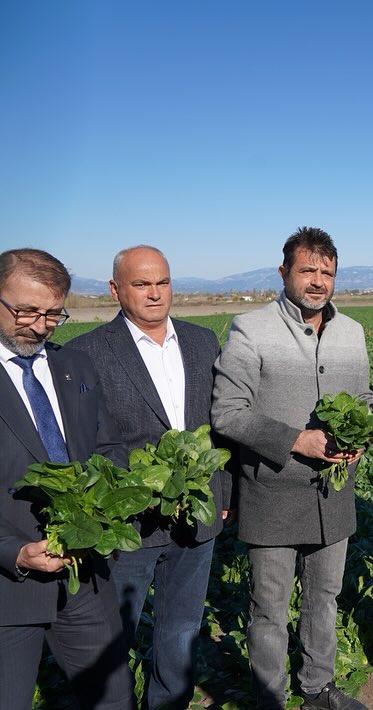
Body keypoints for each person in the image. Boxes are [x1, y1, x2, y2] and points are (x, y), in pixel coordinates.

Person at [65, 245, 232, 708]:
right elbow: (84, 444)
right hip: (130, 523)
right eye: (141, 284)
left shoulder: (203, 342)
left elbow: (220, 429)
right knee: (115, 633)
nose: (155, 293)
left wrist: (222, 491)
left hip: (198, 516)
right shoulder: (85, 352)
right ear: (116, 289)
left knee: (181, 630)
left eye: (162, 282)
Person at [211, 227, 371, 710]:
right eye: (307, 270)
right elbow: (228, 411)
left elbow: (363, 399)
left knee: (324, 598)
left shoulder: (352, 332)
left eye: (326, 272)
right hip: (272, 491)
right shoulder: (249, 328)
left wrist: (359, 438)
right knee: (270, 607)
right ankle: (269, 696)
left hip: (333, 493)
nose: (317, 280)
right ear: (284, 272)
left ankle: (318, 687)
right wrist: (296, 440)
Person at [0, 248, 134, 709]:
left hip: (83, 577)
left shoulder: (73, 366)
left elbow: (107, 449)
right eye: (25, 311)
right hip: (6, 588)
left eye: (53, 314)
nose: (38, 326)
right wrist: (13, 551)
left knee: (113, 699)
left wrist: (110, 502)